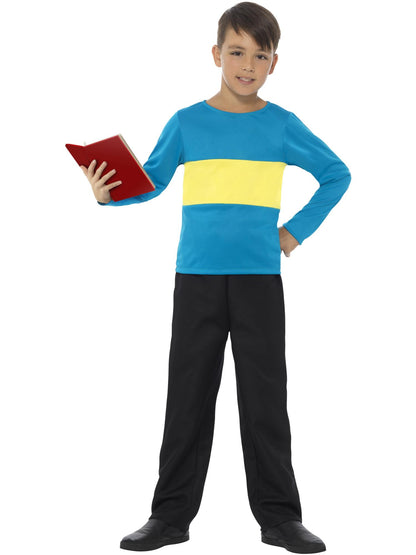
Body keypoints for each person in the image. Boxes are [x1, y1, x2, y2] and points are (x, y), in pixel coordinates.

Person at [81, 2, 350, 553]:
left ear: (274, 63)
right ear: (215, 54)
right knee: (187, 397)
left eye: (260, 56)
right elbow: (151, 181)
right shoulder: (186, 122)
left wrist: (293, 232)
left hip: (258, 282)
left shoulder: (282, 125)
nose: (247, 65)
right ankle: (169, 517)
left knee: (265, 400)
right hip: (197, 279)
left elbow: (336, 174)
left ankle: (280, 519)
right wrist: (108, 195)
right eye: (237, 52)